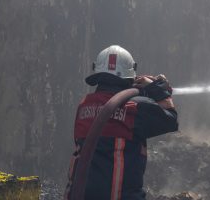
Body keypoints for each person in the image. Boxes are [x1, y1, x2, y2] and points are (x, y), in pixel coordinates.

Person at [65, 45, 178, 200]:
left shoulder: (84, 105)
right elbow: (171, 120)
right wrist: (158, 90)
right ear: (130, 76)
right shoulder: (135, 107)